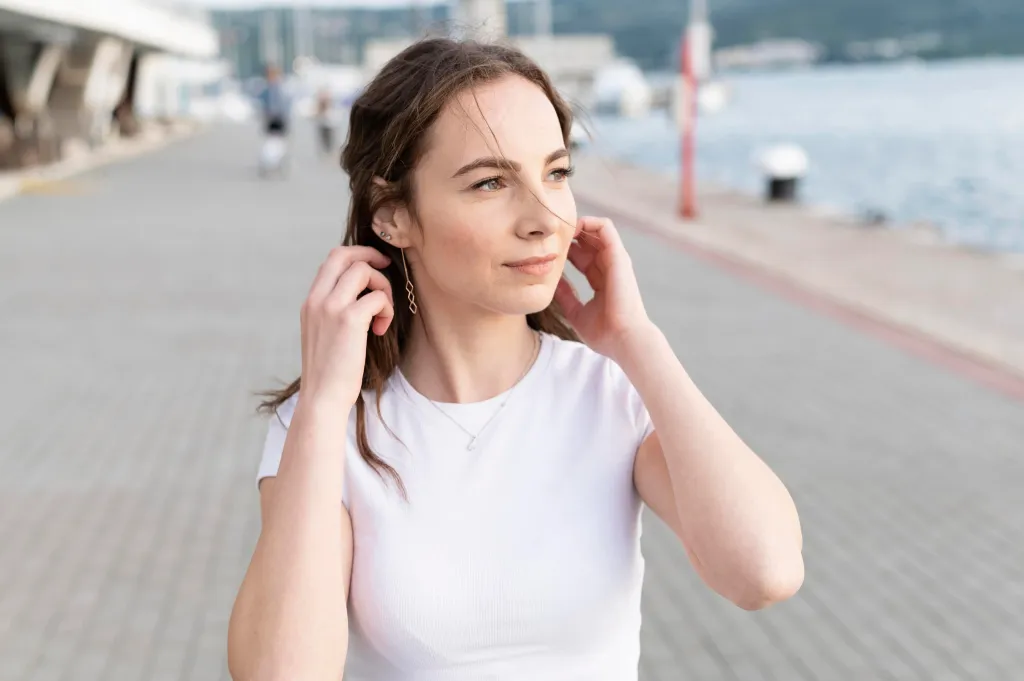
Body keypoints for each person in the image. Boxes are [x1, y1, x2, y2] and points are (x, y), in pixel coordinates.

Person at [227, 38, 804, 680]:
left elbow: (764, 573)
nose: (544, 219)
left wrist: (637, 341)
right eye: (491, 182)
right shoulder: (328, 429)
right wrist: (326, 404)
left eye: (556, 174)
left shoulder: (611, 393)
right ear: (393, 215)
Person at [314, 86, 335, 158]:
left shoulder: (329, 102)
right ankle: (326, 150)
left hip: (328, 124)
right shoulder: (321, 103)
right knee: (324, 137)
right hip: (323, 123)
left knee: (328, 138)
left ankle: (328, 150)